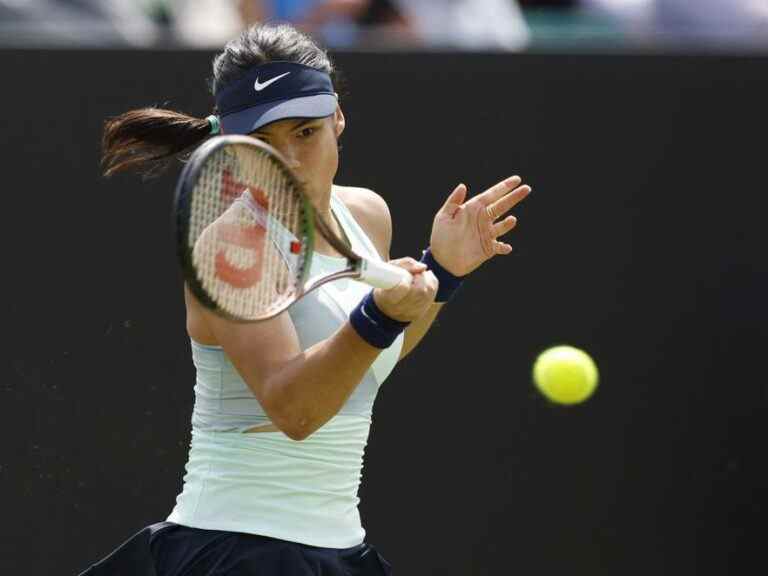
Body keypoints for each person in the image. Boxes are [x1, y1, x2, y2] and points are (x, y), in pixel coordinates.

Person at [87, 22, 531, 576]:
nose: (288, 162)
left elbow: (363, 362)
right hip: (236, 550)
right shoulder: (232, 248)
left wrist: (445, 271)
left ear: (337, 118)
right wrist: (381, 313)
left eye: (304, 133)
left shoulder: (367, 214)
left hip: (337, 548)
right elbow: (296, 410)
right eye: (261, 144)